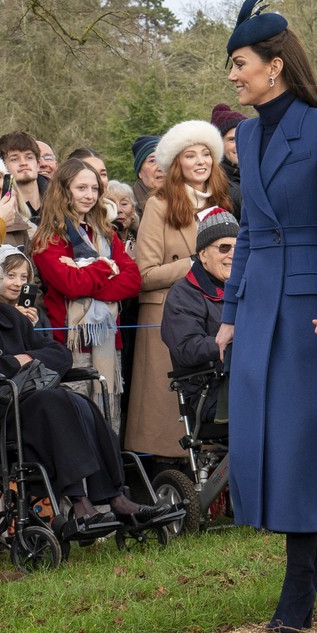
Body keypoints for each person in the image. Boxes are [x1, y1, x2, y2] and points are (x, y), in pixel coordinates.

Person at [214, 0, 317, 633]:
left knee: (302, 439)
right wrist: (227, 312)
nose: (232, 75)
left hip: (309, 304)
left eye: (240, 62)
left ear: (274, 65)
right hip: (257, 303)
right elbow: (248, 230)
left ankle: (300, 578)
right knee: (261, 438)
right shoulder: (245, 134)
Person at [0, 297, 172, 537]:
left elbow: (60, 353)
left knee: (80, 403)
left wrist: (25, 360)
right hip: (6, 414)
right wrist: (13, 364)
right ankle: (80, 504)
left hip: (34, 405)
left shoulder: (10, 317)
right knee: (55, 401)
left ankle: (116, 497)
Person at [129, 120, 235, 460]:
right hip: (168, 314)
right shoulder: (159, 205)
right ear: (177, 163)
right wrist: (196, 261)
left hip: (216, 311)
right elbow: (144, 274)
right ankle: (175, 483)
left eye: (207, 153)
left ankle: (216, 481)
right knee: (169, 419)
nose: (201, 161)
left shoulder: (223, 201)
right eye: (191, 155)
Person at [30, 159, 142, 429]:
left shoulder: (105, 233)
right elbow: (70, 284)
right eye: (81, 187)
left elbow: (133, 280)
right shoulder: (49, 238)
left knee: (109, 420)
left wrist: (88, 272)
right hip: (71, 344)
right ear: (64, 190)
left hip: (107, 339)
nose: (89, 195)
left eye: (94, 188)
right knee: (77, 423)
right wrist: (106, 266)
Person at [160, 207, 237, 422]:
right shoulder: (184, 293)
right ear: (203, 254)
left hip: (249, 381)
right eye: (224, 248)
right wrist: (234, 340)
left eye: (239, 248)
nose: (233, 255)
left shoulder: (250, 287)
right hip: (211, 389)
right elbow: (187, 348)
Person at [1, 130, 45, 248]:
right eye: (14, 159)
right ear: (3, 167)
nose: (23, 163)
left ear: (38, 164)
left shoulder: (62, 200)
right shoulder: (4, 211)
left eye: (29, 157)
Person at [130, 135, 164, 215]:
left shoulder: (181, 199)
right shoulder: (129, 204)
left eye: (163, 159)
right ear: (139, 172)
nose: (160, 167)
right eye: (152, 161)